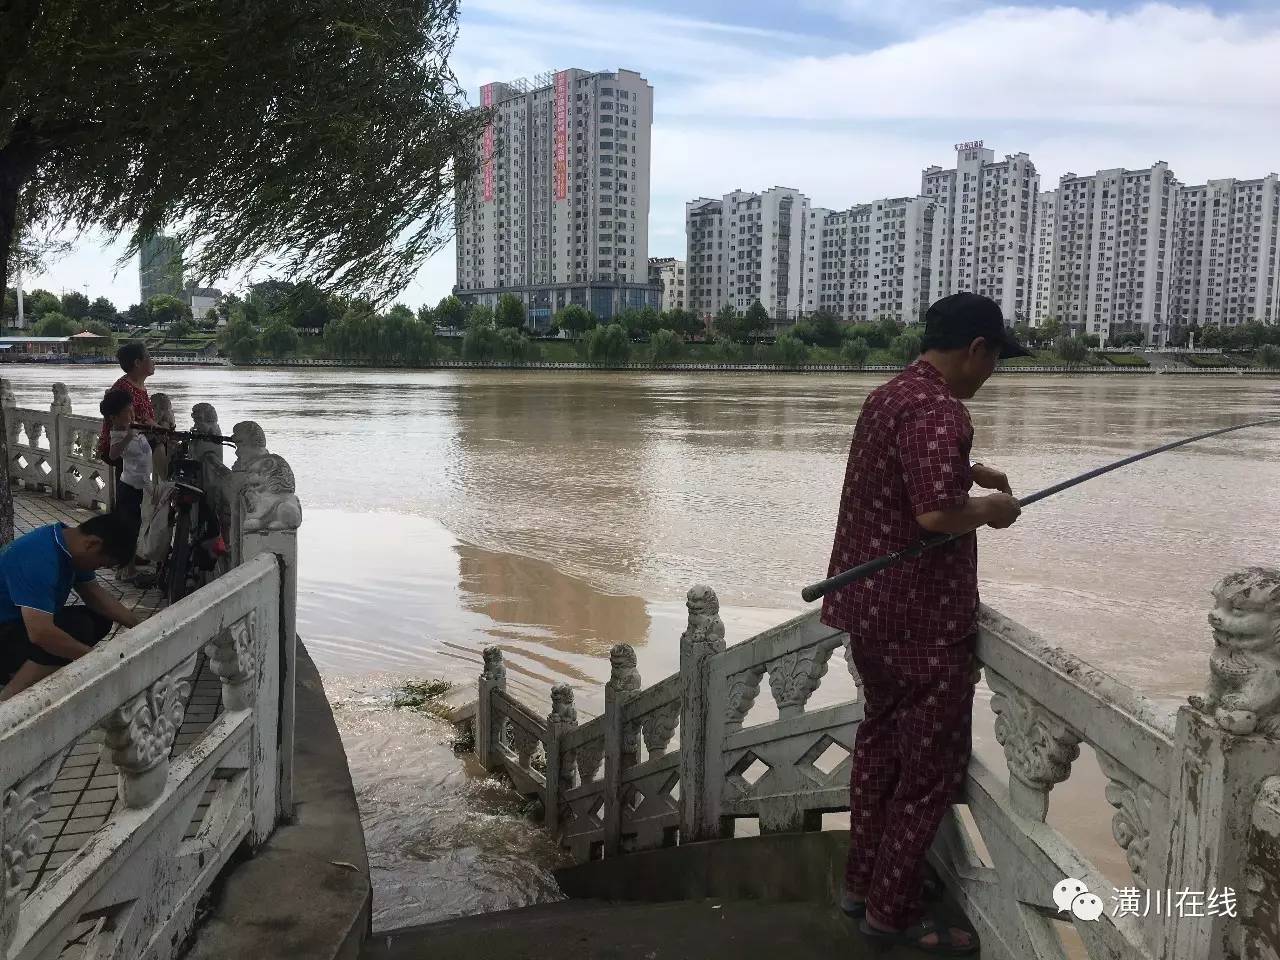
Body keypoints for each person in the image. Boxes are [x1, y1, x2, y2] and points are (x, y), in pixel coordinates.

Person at [822, 292, 1025, 955]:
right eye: (994, 358)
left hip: (870, 617)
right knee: (929, 771)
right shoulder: (941, 409)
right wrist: (990, 509)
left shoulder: (891, 396)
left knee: (879, 749)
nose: (991, 372)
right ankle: (893, 912)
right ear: (976, 350)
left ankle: (862, 883)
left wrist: (968, 470)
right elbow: (936, 514)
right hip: (922, 627)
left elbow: (902, 473)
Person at [0, 512, 144, 702]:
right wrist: (96, 660)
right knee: (78, 627)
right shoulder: (39, 557)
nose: (96, 569)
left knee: (98, 619)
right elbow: (40, 632)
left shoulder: (65, 543)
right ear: (92, 543)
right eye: (100, 564)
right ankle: (9, 696)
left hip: (18, 629)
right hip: (5, 636)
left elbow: (96, 597)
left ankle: (34, 668)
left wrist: (142, 626)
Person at [100, 388, 151, 575]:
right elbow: (113, 455)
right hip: (129, 487)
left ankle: (128, 566)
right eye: (126, 413)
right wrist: (129, 436)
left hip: (142, 485)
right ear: (113, 418)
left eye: (132, 411)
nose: (131, 415)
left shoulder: (134, 427)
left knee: (137, 527)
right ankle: (127, 569)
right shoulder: (118, 433)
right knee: (130, 529)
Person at [96, 341, 157, 465]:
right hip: (120, 444)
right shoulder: (124, 389)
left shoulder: (138, 385)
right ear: (137, 363)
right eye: (149, 357)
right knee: (162, 446)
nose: (153, 361)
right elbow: (136, 422)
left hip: (135, 439)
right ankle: (166, 482)